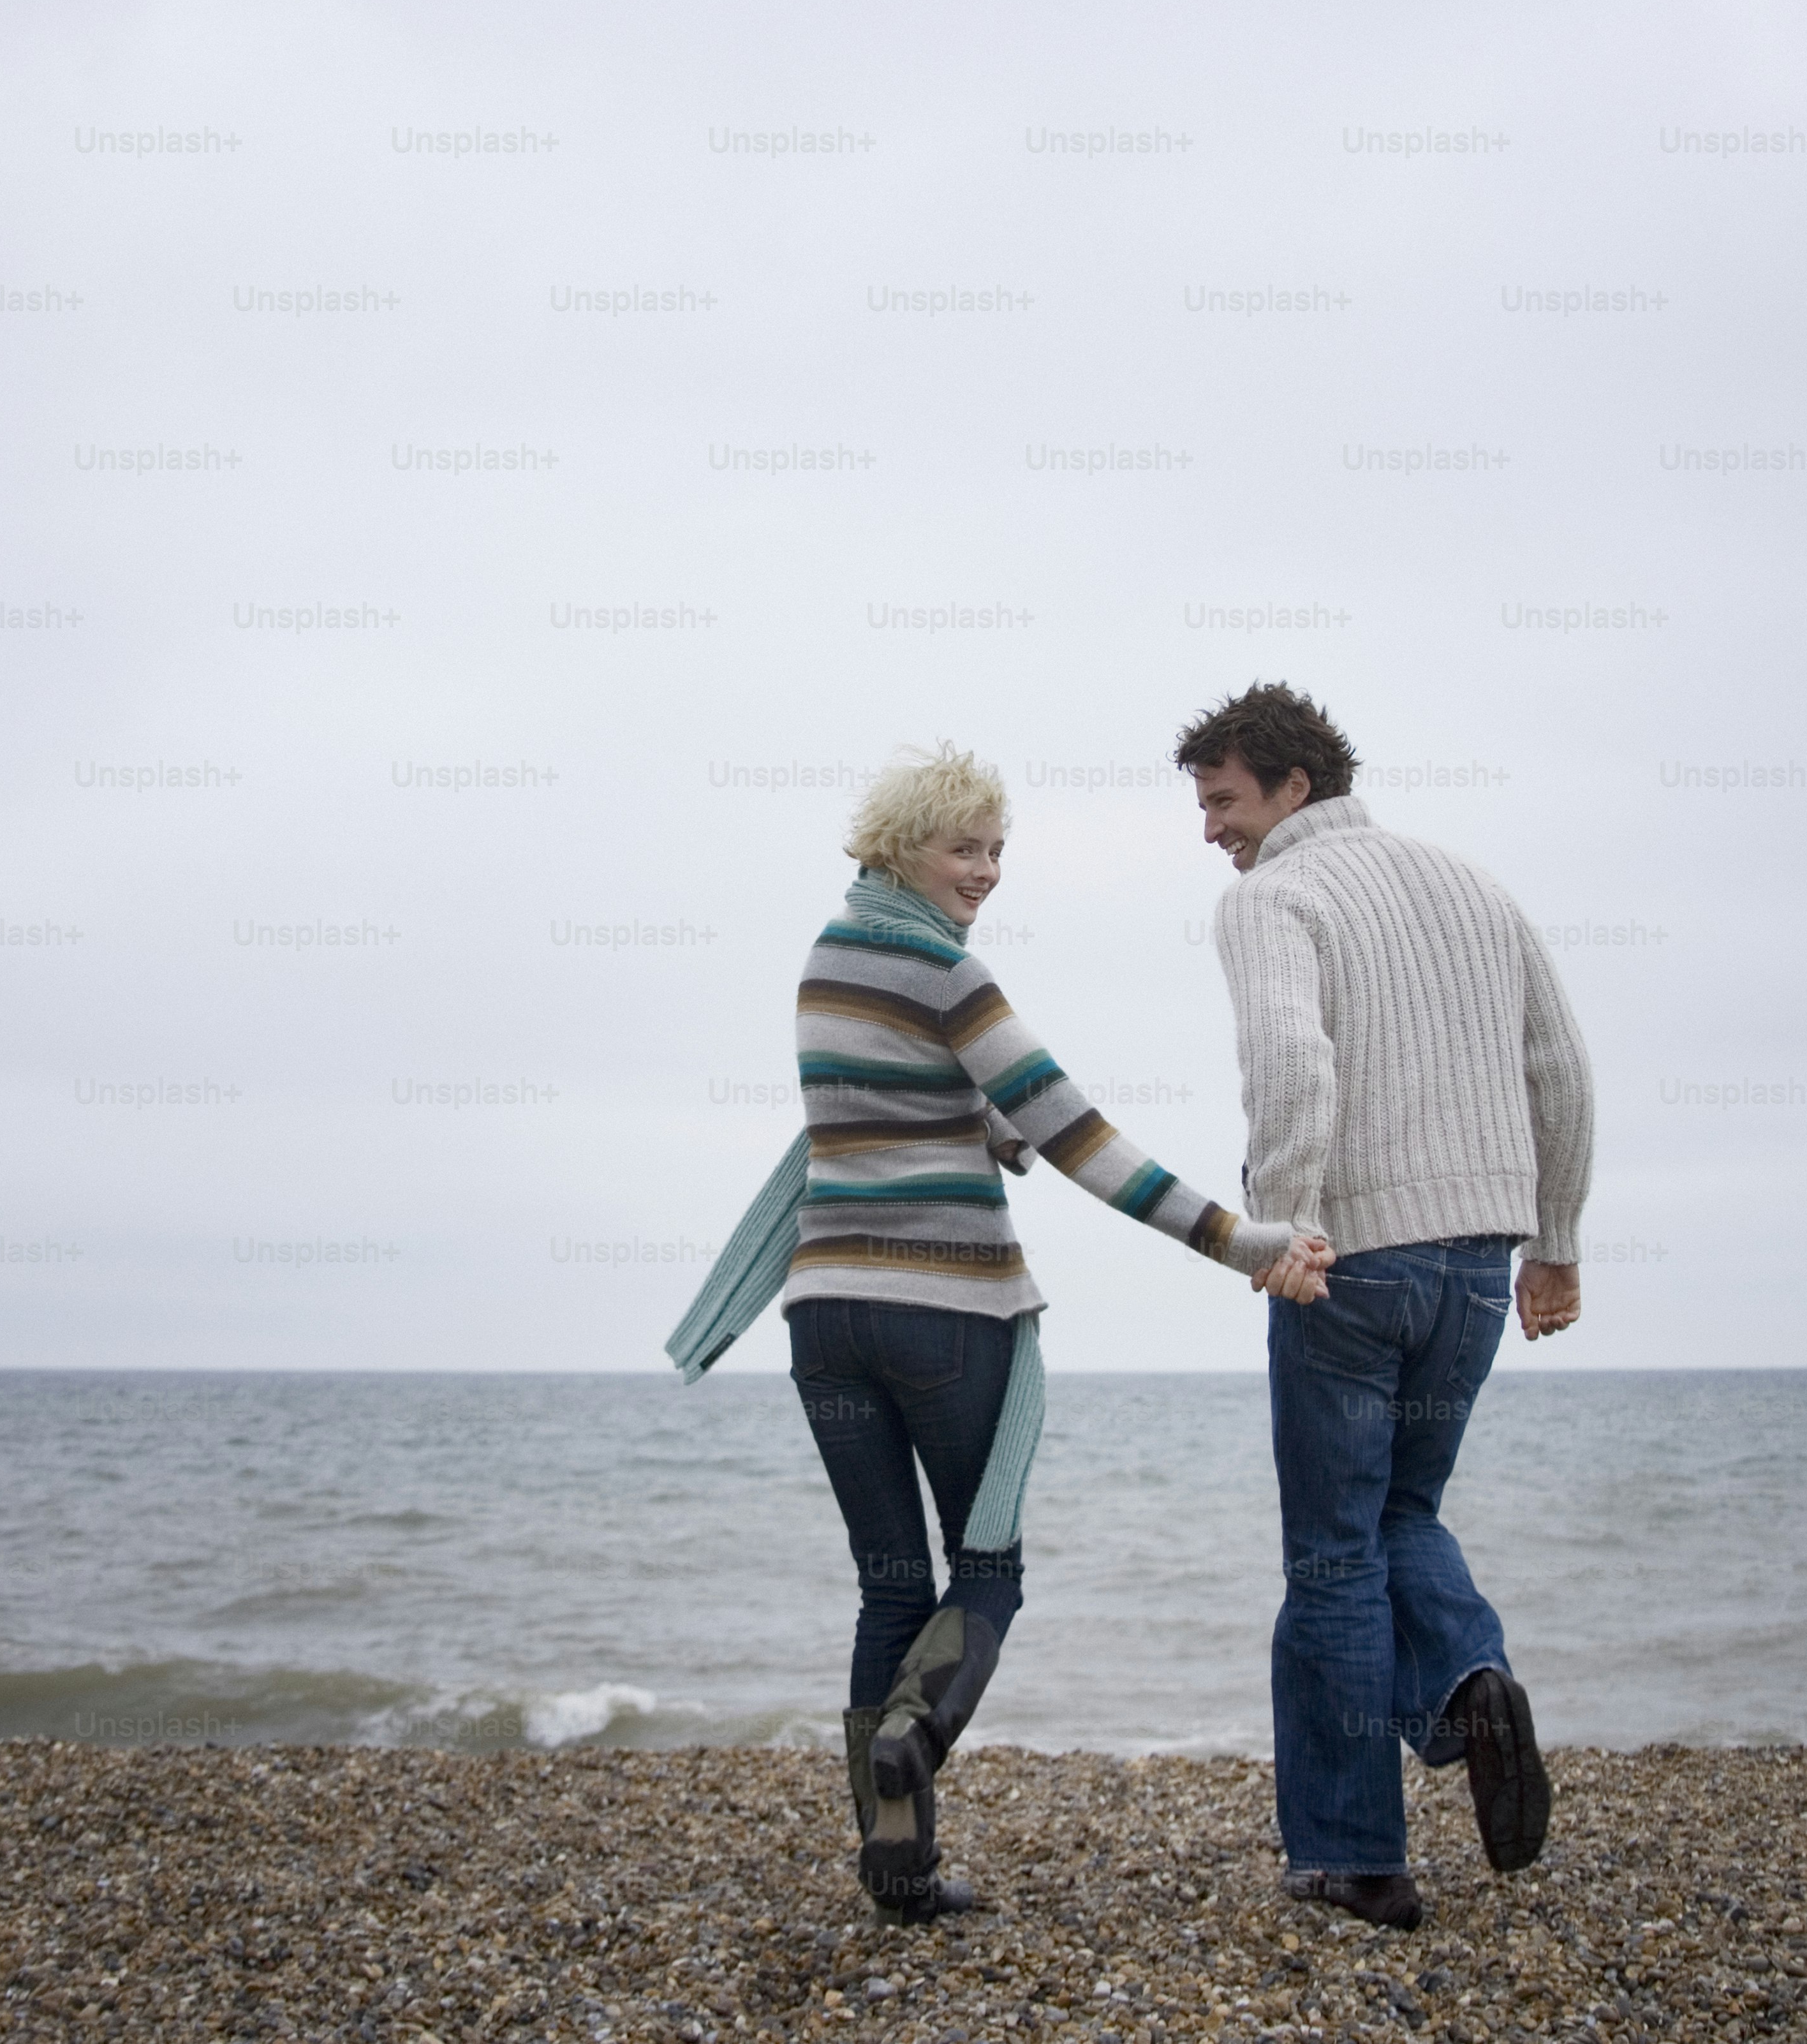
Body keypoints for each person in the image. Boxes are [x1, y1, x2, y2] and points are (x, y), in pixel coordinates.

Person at [667, 744, 1331, 1925]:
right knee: (988, 1568)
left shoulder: (828, 961)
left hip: (823, 1316)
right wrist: (1240, 1239)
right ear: (901, 845)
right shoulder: (947, 971)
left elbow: (885, 1113)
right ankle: (917, 1734)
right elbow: (1078, 1134)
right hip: (944, 1314)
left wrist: (989, 1128)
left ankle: (896, 1865)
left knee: (888, 1590)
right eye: (964, 848)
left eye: (997, 852)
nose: (985, 873)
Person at [1178, 684, 1596, 1932]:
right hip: (1474, 1257)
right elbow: (1559, 1069)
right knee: (1401, 1509)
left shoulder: (1270, 899)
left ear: (1295, 787)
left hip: (1347, 1256)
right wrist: (1556, 1243)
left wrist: (1285, 1223)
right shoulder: (1473, 884)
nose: (1208, 830)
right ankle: (1466, 1684)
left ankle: (1355, 1857)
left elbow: (1292, 1061)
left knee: (1330, 1553)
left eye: (1222, 801)